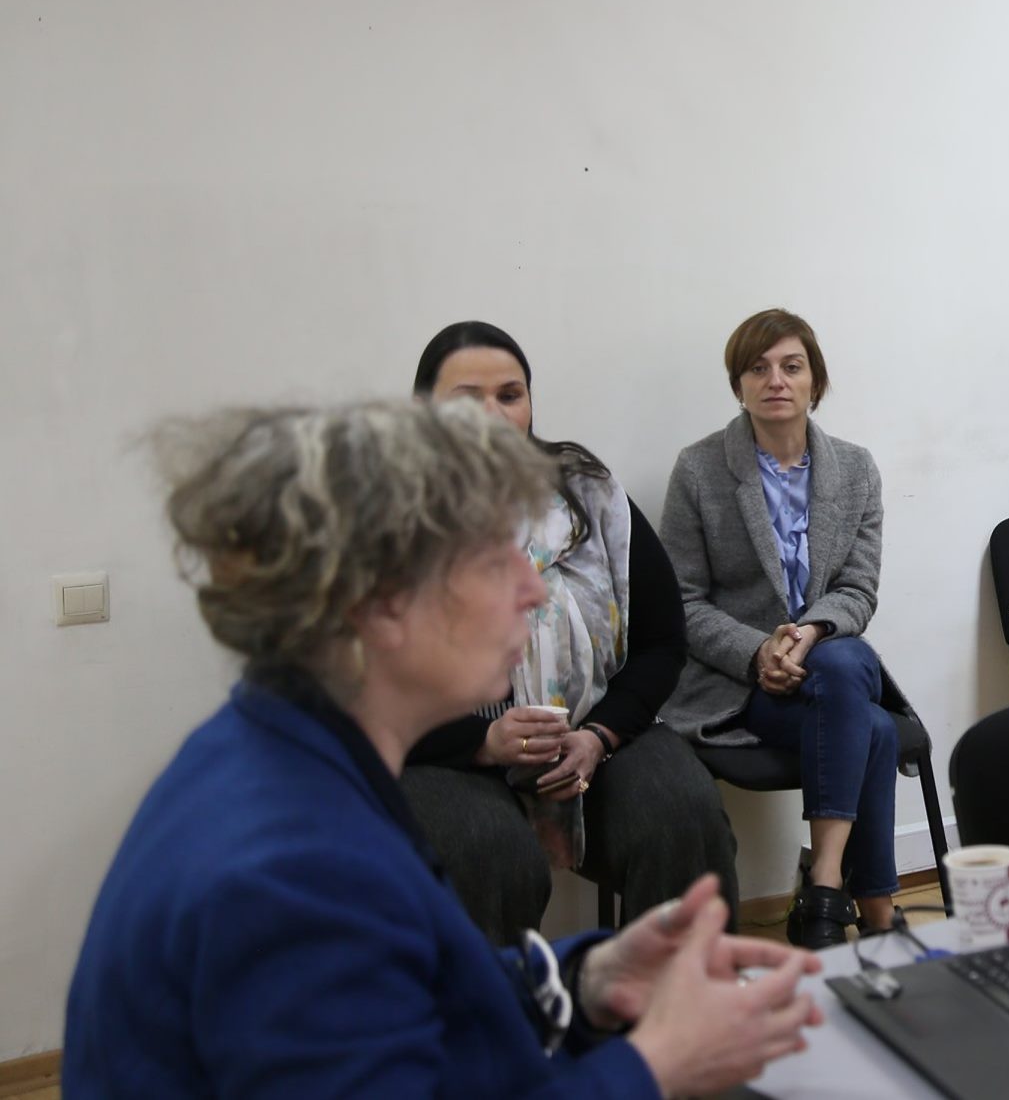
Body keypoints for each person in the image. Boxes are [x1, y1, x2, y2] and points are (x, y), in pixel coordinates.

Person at [65, 400, 821, 1099]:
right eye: (496, 559)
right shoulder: (293, 877)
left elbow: (412, 990)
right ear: (380, 604)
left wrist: (581, 980)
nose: (534, 589)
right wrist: (655, 1065)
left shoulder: (286, 754)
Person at [406, 321, 737, 943]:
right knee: (486, 851)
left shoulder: (588, 494)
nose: (494, 414)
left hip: (592, 728)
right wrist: (484, 742)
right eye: (466, 399)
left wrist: (599, 735)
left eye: (510, 395)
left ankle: (676, 999)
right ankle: (503, 1006)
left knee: (682, 815)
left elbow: (663, 639)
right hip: (443, 750)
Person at [659, 309, 897, 949]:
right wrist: (757, 649)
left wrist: (810, 632)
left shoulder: (856, 469)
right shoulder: (699, 470)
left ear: (816, 381)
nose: (776, 380)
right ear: (738, 384)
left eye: (792, 366)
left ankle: (824, 883)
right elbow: (681, 600)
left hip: (829, 665)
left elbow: (858, 589)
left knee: (842, 661)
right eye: (757, 368)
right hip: (741, 685)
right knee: (874, 727)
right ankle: (874, 911)